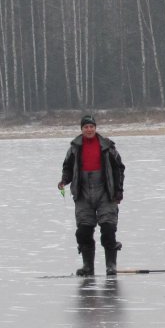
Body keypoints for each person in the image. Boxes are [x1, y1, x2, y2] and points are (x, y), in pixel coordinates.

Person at [58, 115, 126, 276]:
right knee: (83, 232)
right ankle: (88, 267)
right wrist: (64, 180)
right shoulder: (74, 148)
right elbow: (67, 167)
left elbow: (119, 168)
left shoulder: (107, 146)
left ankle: (111, 266)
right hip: (83, 194)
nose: (89, 130)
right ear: (81, 129)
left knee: (108, 229)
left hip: (106, 193)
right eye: (86, 127)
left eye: (91, 127)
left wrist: (118, 191)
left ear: (95, 128)